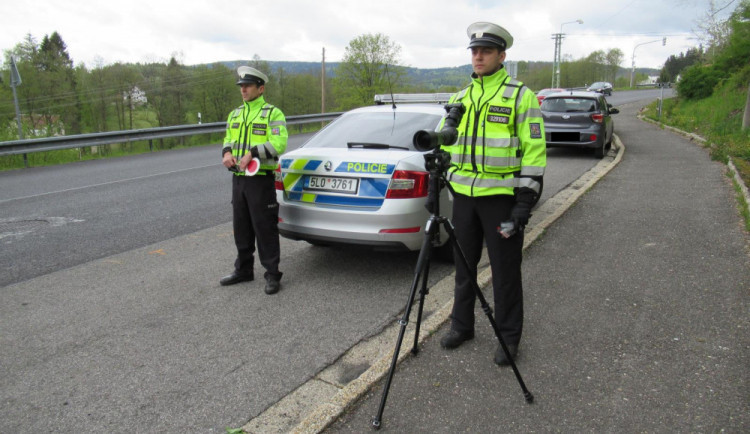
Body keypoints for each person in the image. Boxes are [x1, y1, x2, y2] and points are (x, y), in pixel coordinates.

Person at [438, 22, 546, 365]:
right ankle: (462, 325)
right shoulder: (460, 97)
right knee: (464, 266)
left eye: (486, 51)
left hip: (501, 198)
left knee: (505, 270)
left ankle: (508, 336)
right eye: (474, 51)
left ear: (502, 55)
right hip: (464, 199)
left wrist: (525, 201)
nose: (478, 56)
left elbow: (534, 151)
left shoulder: (519, 95)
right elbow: (447, 145)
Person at [219, 66, 288, 294]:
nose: (243, 90)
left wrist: (253, 153)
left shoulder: (273, 113)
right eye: (241, 86)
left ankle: (272, 274)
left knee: (264, 227)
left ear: (261, 88)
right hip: (239, 180)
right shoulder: (235, 114)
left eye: (247, 86)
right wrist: (227, 154)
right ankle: (244, 270)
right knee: (242, 227)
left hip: (260, 179)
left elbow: (279, 144)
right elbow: (228, 138)